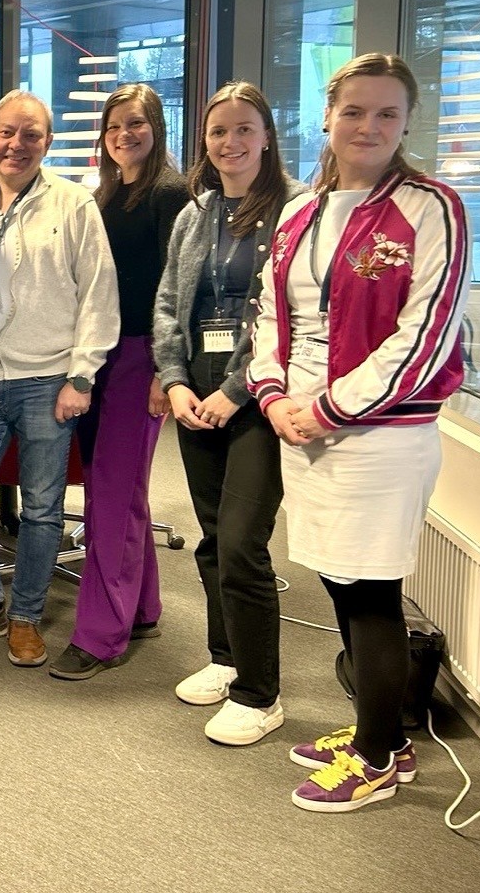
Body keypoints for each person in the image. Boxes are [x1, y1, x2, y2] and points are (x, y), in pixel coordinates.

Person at [248, 54, 467, 811]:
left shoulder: (431, 207)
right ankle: (385, 735)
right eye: (353, 112)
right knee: (339, 583)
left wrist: (329, 408)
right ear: (327, 118)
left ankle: (373, 759)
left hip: (378, 434)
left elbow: (425, 335)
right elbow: (272, 319)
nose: (367, 126)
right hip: (299, 427)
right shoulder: (299, 211)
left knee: (372, 592)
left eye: (385, 114)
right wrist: (273, 395)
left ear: (406, 123)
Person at [0, 91, 118, 667]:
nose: (18, 145)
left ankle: (26, 616)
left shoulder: (72, 204)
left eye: (32, 135)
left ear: (49, 142)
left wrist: (82, 377)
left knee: (42, 509)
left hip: (48, 378)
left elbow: (98, 293)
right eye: (8, 133)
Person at [152, 82, 305, 744]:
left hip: (258, 397)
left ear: (266, 136)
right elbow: (167, 304)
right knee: (213, 537)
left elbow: (291, 319)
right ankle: (224, 657)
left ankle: (259, 691)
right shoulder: (197, 213)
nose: (231, 143)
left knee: (243, 543)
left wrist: (234, 390)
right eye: (219, 132)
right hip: (197, 389)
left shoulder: (298, 210)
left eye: (244, 129)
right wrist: (175, 380)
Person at [50, 83, 189, 680]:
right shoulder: (107, 196)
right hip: (101, 357)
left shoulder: (171, 194)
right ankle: (144, 606)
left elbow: (178, 288)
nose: (123, 136)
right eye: (113, 128)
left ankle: (101, 634)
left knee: (107, 494)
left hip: (141, 358)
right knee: (123, 488)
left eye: (135, 124)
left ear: (155, 126)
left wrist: (166, 368)